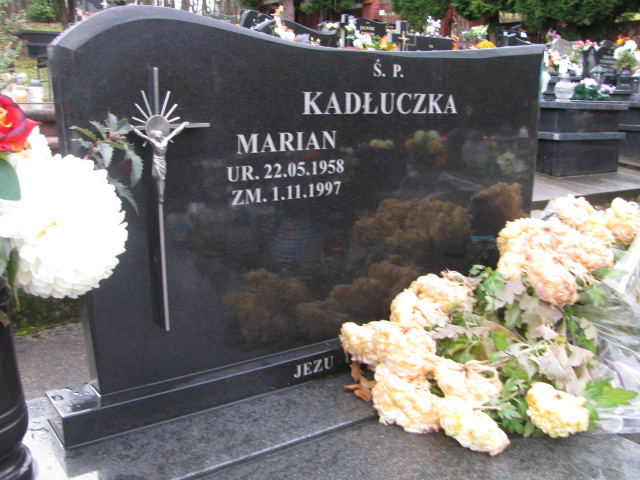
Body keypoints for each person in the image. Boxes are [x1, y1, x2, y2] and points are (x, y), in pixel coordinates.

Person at [132, 122, 188, 202]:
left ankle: (161, 196)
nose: (160, 137)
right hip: (156, 160)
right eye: (158, 136)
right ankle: (160, 197)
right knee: (159, 178)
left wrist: (183, 125)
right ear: (155, 136)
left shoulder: (166, 140)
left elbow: (175, 132)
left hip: (162, 160)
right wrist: (133, 128)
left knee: (162, 178)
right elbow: (142, 135)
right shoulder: (153, 141)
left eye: (160, 135)